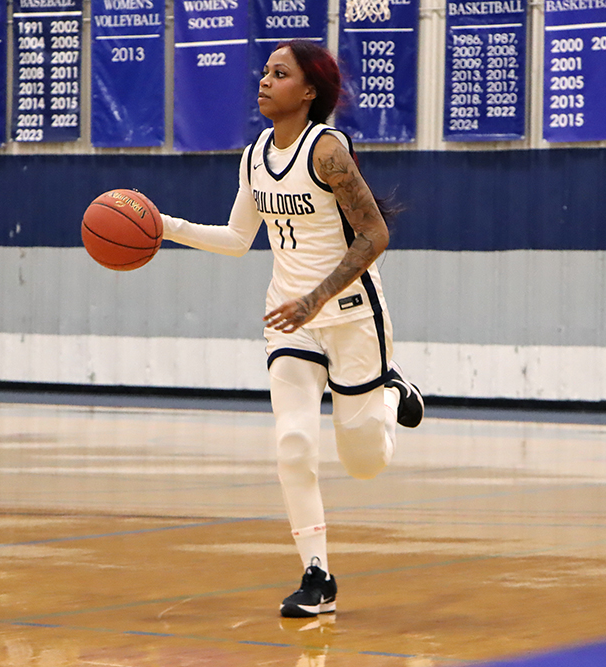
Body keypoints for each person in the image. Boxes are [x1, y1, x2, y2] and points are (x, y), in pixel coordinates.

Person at [160, 39, 424, 618]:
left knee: (364, 463)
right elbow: (236, 240)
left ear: (308, 92)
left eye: (279, 74)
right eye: (264, 72)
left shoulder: (327, 152)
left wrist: (317, 298)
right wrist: (162, 225)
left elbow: (375, 236)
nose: (264, 81)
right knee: (293, 442)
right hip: (289, 320)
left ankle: (390, 390)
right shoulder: (254, 155)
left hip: (351, 316)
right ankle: (316, 575)